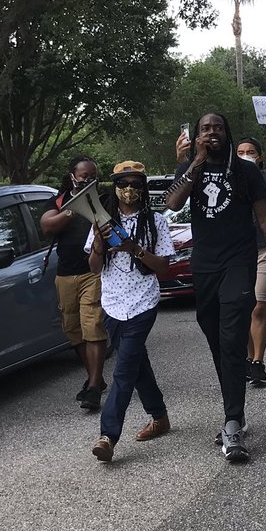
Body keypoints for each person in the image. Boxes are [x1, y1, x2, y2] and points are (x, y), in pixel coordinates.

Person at [164, 112, 266, 462]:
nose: (211, 133)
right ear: (198, 135)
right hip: (204, 265)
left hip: (239, 261)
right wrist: (196, 162)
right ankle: (235, 407)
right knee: (218, 341)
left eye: (218, 127)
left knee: (232, 335)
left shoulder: (247, 171)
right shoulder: (192, 168)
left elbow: (265, 220)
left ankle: (232, 422)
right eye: (205, 129)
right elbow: (172, 204)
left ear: (227, 132)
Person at [87, 161, 177, 463]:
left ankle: (108, 436)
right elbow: (94, 267)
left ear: (144, 187)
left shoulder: (157, 222)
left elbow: (163, 266)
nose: (130, 190)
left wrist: (133, 249)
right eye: (124, 183)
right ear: (115, 186)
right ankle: (160, 416)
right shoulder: (102, 221)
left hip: (143, 303)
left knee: (124, 369)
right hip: (112, 303)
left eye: (136, 184)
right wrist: (99, 244)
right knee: (137, 363)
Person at [39, 155, 108, 411]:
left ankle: (92, 388)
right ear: (72, 177)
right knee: (73, 329)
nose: (89, 180)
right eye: (84, 177)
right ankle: (96, 378)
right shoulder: (58, 200)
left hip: (93, 272)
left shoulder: (104, 199)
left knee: (93, 326)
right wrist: (73, 207)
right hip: (65, 274)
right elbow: (47, 225)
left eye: (93, 177)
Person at [231, 97, 266, 387]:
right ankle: (245, 358)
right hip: (236, 254)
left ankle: (257, 361)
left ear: (260, 156)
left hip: (264, 250)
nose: (245, 155)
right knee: (239, 309)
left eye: (250, 152)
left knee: (258, 306)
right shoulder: (228, 180)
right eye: (240, 152)